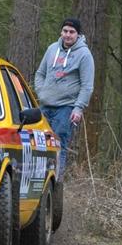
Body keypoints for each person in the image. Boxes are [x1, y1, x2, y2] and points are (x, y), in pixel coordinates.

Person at [34, 17, 95, 178]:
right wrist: (41, 92)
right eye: (65, 31)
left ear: (78, 34)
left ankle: (56, 184)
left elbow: (87, 85)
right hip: (45, 106)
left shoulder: (84, 55)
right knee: (39, 144)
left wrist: (79, 107)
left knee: (58, 145)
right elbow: (40, 73)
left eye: (72, 32)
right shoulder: (52, 48)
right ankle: (40, 180)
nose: (68, 35)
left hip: (66, 108)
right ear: (61, 32)